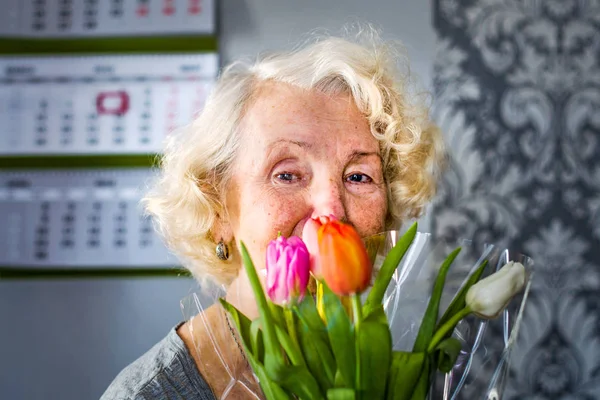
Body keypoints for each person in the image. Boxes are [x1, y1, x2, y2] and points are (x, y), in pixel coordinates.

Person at [101, 26, 444, 399]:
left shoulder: (391, 374)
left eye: (359, 176)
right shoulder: (149, 395)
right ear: (217, 208)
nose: (331, 209)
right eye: (287, 174)